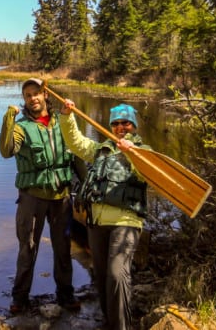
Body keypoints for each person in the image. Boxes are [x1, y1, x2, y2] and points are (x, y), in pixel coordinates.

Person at [59, 100, 150, 330]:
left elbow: (149, 173)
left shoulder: (145, 152)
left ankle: (121, 326)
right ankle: (109, 321)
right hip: (96, 223)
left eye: (126, 123)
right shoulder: (101, 150)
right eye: (116, 124)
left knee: (117, 274)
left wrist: (132, 153)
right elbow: (76, 142)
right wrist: (67, 116)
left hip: (126, 222)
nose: (121, 128)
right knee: (100, 277)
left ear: (134, 126)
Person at [0, 78, 80, 314]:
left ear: (46, 95)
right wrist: (8, 119)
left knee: (63, 248)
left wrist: (85, 188)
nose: (32, 98)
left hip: (61, 198)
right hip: (31, 199)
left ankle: (66, 295)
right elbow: (6, 151)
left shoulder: (62, 123)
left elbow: (78, 153)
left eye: (36, 93)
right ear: (24, 100)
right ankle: (20, 298)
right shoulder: (21, 127)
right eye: (27, 95)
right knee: (28, 248)